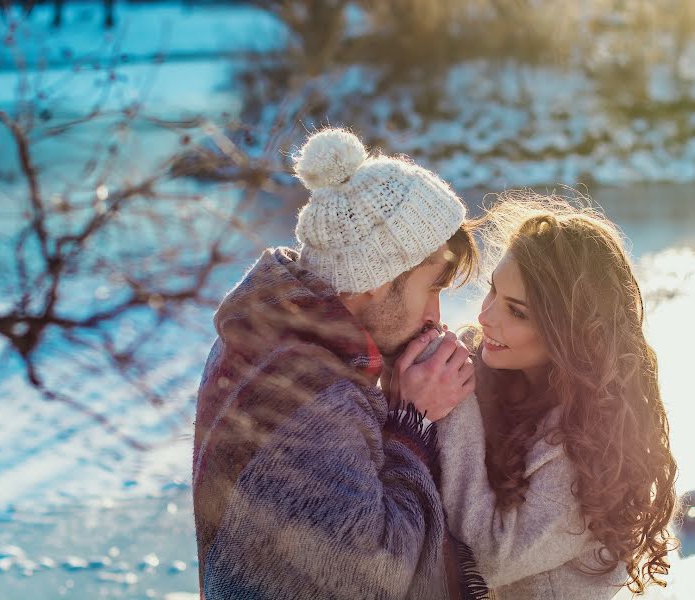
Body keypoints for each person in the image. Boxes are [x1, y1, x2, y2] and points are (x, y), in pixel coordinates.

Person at [192, 128, 487, 599]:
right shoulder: (312, 393)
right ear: (374, 279)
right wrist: (412, 421)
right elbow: (371, 578)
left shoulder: (269, 332)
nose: (436, 315)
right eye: (432, 287)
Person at [394, 193, 679, 599]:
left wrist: (455, 399)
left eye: (517, 312)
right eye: (492, 291)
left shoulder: (589, 446)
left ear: (570, 333)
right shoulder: (498, 376)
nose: (484, 316)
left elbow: (487, 558)